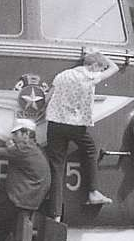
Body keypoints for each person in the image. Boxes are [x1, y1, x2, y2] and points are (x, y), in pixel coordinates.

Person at [45, 50, 120, 208]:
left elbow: (47, 98)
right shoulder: (89, 75)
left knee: (57, 166)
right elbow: (114, 68)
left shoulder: (62, 74)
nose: (100, 71)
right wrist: (100, 54)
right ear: (93, 66)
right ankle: (93, 192)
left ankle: (55, 213)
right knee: (91, 150)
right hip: (75, 125)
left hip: (54, 124)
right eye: (100, 68)